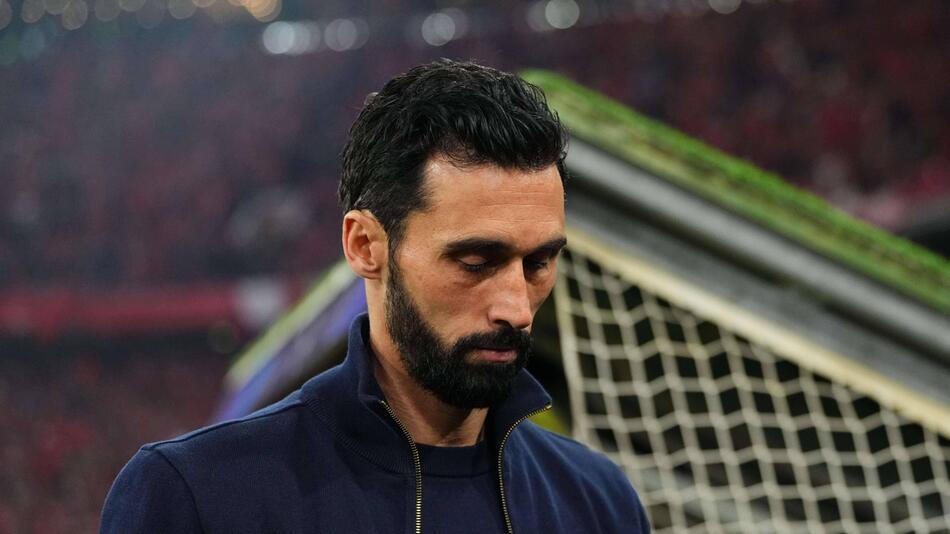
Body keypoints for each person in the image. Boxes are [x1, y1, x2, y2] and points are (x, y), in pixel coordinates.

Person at [100, 59, 651, 533]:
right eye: (475, 262)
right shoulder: (198, 495)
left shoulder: (598, 501)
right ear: (365, 245)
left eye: (539, 263)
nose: (516, 307)